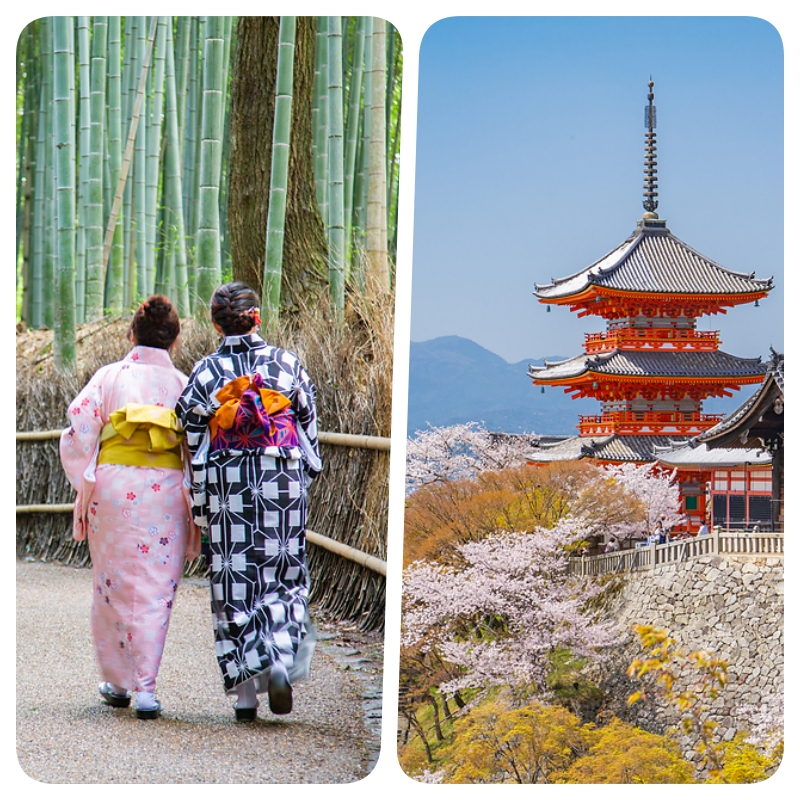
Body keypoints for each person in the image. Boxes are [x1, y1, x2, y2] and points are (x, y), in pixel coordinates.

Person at [175, 281, 322, 721]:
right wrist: (304, 473)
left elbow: (192, 435)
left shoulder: (204, 372)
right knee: (283, 571)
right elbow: (307, 425)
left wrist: (200, 500)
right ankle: (277, 657)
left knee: (233, 578)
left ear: (215, 323)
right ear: (257, 317)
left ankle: (245, 697)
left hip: (227, 478)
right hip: (280, 473)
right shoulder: (286, 362)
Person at [59, 296, 200, 720]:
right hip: (167, 491)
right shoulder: (182, 383)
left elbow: (79, 430)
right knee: (157, 587)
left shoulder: (108, 376)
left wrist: (87, 474)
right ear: (175, 342)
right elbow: (198, 443)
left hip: (114, 488)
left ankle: (120, 682)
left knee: (111, 583)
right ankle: (145, 691)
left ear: (131, 335)